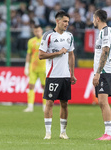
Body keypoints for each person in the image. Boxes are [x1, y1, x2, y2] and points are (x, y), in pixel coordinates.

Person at [39, 10, 77, 140]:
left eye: (68, 21)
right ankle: (48, 133)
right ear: (57, 21)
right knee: (49, 102)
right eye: (64, 21)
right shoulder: (48, 35)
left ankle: (63, 132)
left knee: (64, 103)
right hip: (53, 75)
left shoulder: (69, 36)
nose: (67, 24)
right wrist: (58, 53)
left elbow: (71, 55)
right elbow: (41, 55)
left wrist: (72, 73)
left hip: (65, 75)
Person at [92, 9, 111, 141]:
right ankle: (107, 132)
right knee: (101, 102)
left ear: (98, 19)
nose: (93, 21)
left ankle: (109, 133)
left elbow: (105, 51)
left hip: (104, 72)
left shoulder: (106, 31)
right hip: (102, 71)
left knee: (103, 101)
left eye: (93, 18)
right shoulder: (102, 32)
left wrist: (98, 73)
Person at [23, 25, 46, 112]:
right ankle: (30, 106)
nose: (37, 32)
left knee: (44, 87)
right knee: (31, 86)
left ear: (41, 31)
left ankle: (45, 106)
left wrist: (50, 65)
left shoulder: (45, 40)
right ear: (34, 32)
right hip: (33, 68)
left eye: (39, 31)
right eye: (35, 31)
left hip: (43, 68)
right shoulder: (31, 41)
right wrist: (26, 66)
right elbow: (29, 54)